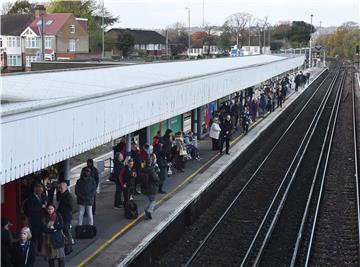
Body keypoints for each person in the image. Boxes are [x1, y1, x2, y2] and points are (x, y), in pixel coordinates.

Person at [23, 183, 47, 253]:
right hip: (34, 220)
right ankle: (33, 250)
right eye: (40, 191)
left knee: (41, 235)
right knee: (34, 235)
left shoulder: (42, 196)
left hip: (41, 219)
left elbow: (45, 204)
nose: (41, 192)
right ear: (36, 190)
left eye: (42, 190)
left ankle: (39, 249)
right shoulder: (31, 198)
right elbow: (30, 209)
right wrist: (41, 207)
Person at [57, 182, 73, 255]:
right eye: (59, 188)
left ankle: (68, 248)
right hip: (64, 217)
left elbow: (69, 208)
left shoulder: (68, 196)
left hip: (65, 217)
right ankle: (69, 248)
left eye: (61, 188)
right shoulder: (63, 195)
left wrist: (60, 212)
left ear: (65, 188)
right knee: (66, 232)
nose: (60, 189)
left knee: (67, 233)